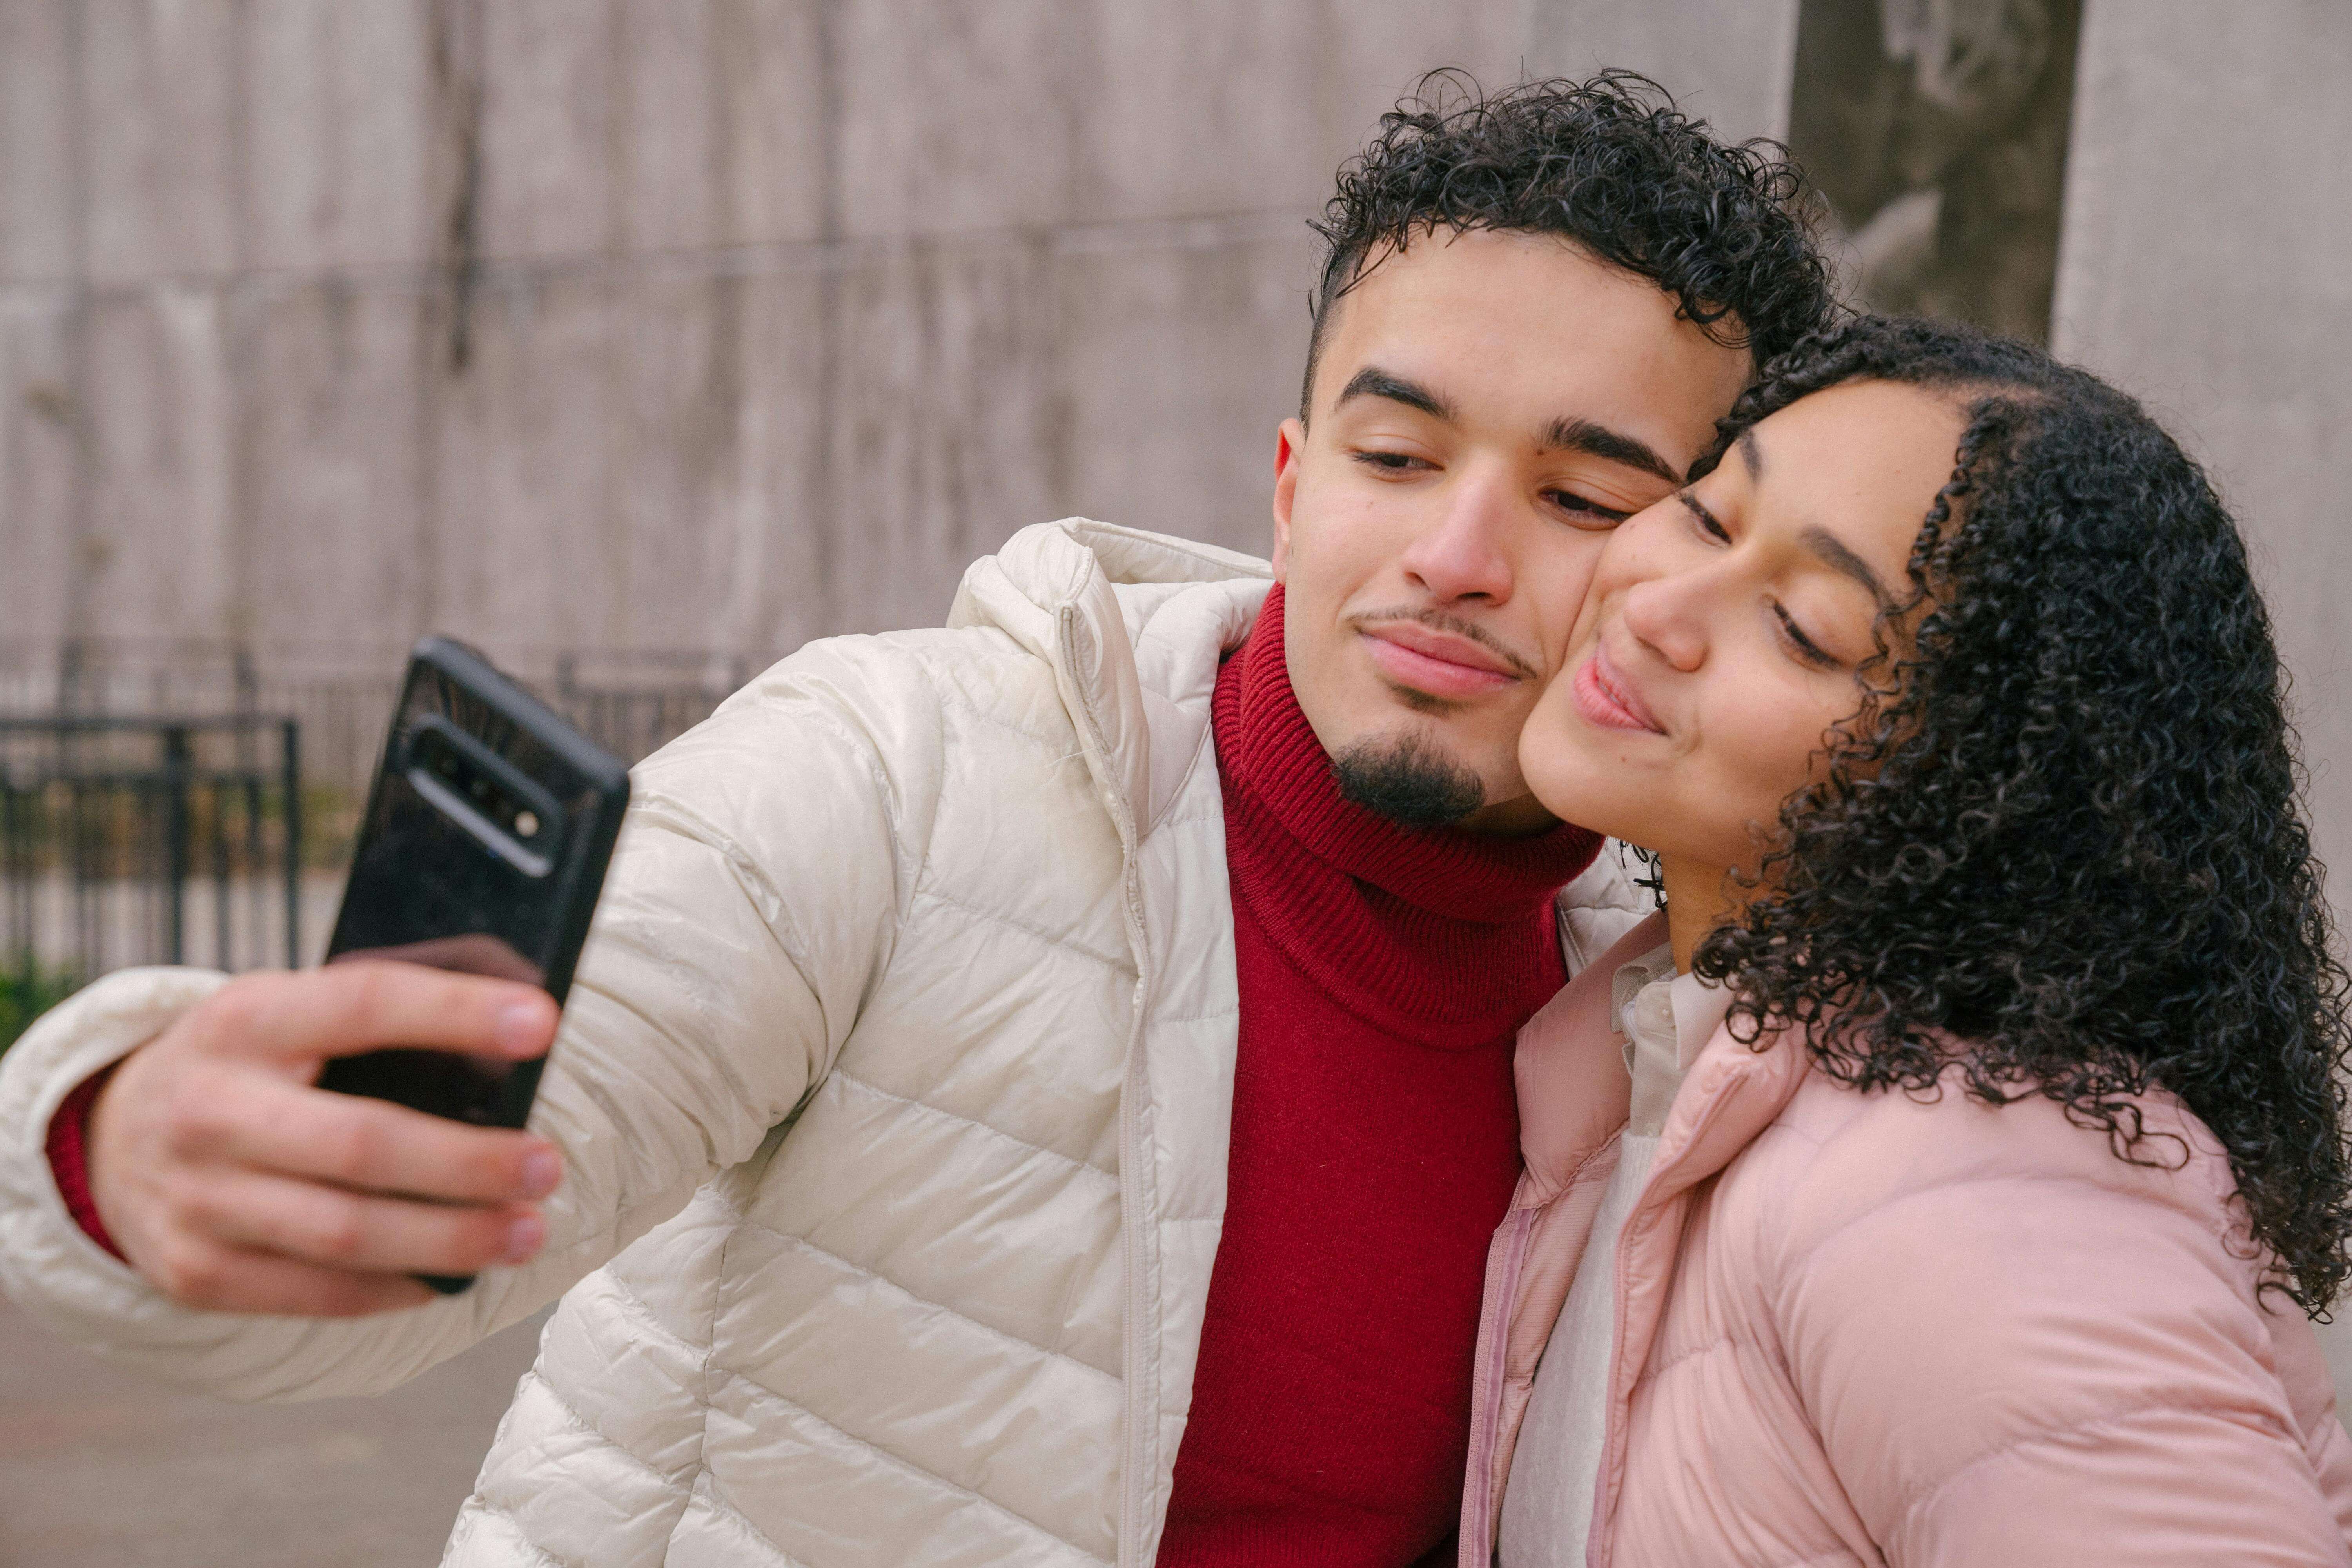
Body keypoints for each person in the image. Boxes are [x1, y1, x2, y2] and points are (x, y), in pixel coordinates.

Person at [0, 76, 1834, 1568]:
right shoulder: (896, 772)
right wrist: (134, 1146)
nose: (1456, 553)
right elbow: (481, 1171)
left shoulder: (1672, 1014)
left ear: (1699, 572)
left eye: (1584, 495)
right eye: (1396, 455)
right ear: (1291, 488)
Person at [1463, 314, 2352, 1566]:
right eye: (1710, 515)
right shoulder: (1659, 1061)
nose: (1658, 607)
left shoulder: (1970, 1192)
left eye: (1803, 626)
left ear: (1975, 788)